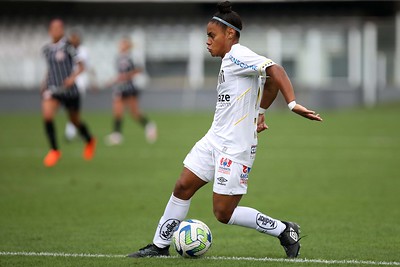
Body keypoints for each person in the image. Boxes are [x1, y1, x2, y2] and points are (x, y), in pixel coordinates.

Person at [128, 1, 322, 259]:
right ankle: (159, 246)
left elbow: (276, 71)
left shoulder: (239, 54)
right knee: (183, 186)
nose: (207, 41)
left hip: (235, 147)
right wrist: (259, 112)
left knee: (223, 213)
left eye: (211, 35)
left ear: (230, 34)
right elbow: (269, 80)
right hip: (214, 139)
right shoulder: (230, 60)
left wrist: (292, 103)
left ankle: (285, 230)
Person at [41, 19, 96, 167]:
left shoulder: (69, 46)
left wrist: (72, 78)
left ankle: (90, 140)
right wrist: (44, 83)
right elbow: (50, 69)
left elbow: (81, 66)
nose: (57, 30)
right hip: (53, 89)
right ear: (50, 31)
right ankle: (54, 150)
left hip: (70, 90)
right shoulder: (46, 49)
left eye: (60, 27)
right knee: (47, 115)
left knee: (74, 121)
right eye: (54, 28)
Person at [105, 37, 157, 145]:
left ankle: (149, 125)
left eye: (122, 44)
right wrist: (113, 81)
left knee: (134, 112)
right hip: (120, 87)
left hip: (130, 87)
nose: (120, 46)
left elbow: (139, 69)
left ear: (127, 45)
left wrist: (127, 76)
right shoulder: (118, 58)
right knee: (117, 110)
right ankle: (117, 135)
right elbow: (119, 74)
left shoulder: (132, 56)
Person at [64, 29, 97, 142]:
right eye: (71, 37)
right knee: (71, 109)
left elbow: (87, 66)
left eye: (75, 38)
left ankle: (71, 133)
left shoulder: (83, 50)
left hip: (79, 82)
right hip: (68, 82)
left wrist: (93, 82)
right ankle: (77, 131)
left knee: (74, 109)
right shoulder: (67, 49)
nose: (73, 40)